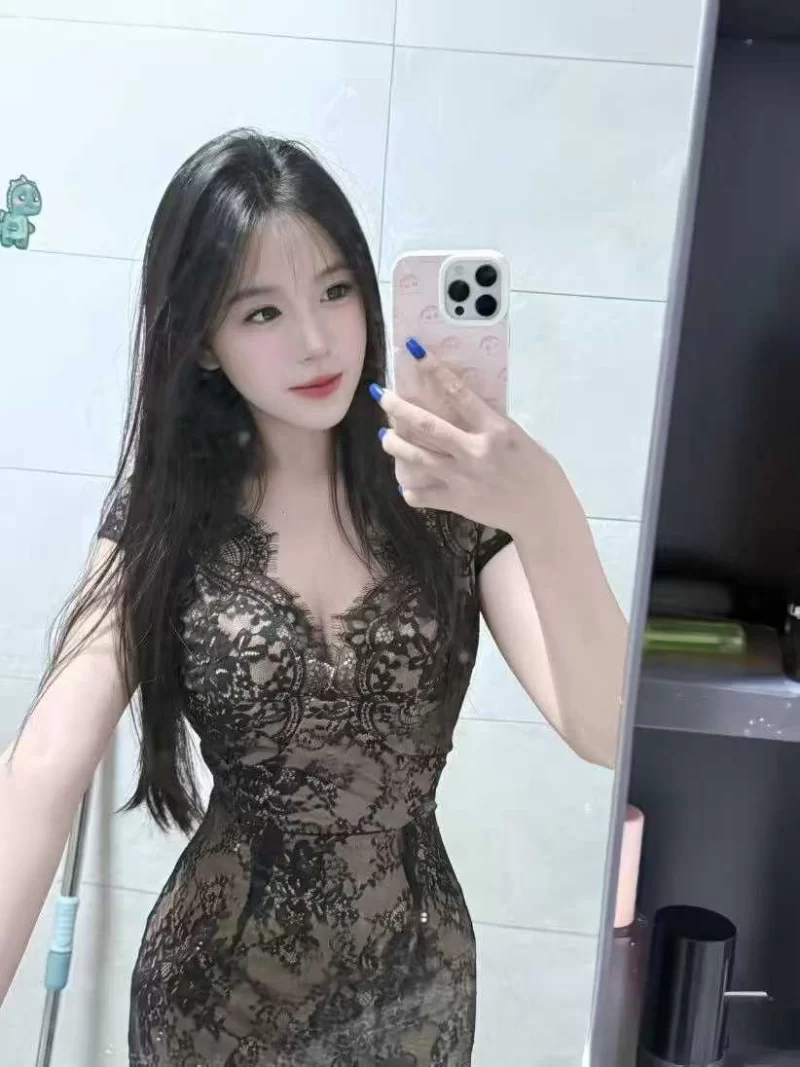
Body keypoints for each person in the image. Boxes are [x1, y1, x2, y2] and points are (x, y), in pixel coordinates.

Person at [0, 128, 627, 1066]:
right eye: (262, 312)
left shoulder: (451, 497)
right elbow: (44, 766)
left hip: (414, 1002)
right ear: (202, 342)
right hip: (209, 1006)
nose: (315, 339)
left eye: (336, 291)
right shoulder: (170, 513)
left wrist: (548, 510)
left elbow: (607, 728)